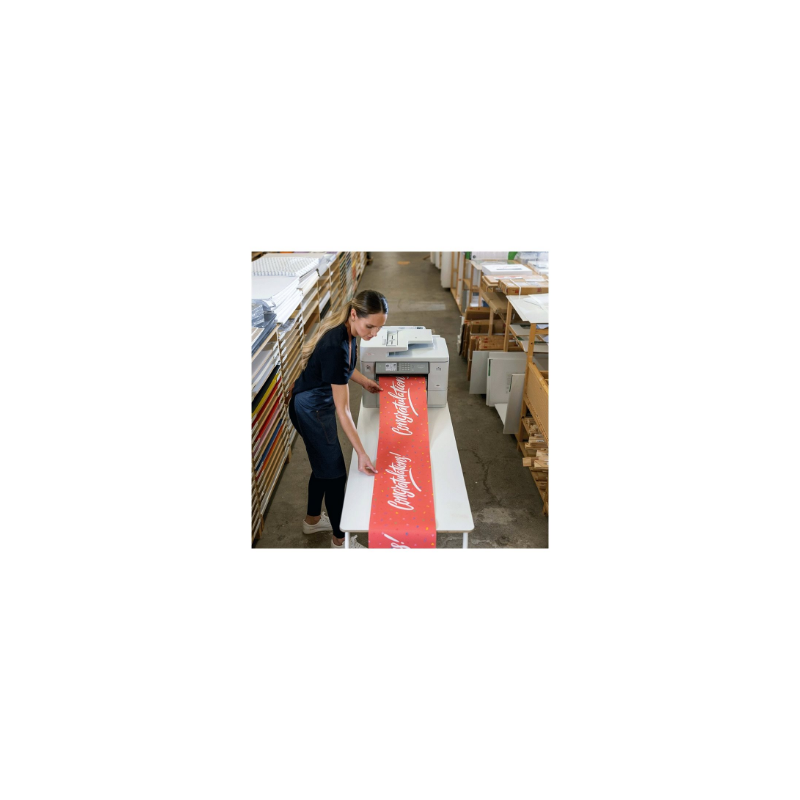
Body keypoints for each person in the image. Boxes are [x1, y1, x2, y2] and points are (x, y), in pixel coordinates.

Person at [288, 289, 389, 548]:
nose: (374, 333)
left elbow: (343, 368)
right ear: (354, 315)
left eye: (378, 328)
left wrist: (364, 381)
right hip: (312, 409)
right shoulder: (336, 345)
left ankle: (312, 521)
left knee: (323, 467)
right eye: (370, 326)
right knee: (335, 476)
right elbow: (343, 411)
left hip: (312, 403)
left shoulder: (349, 331)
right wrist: (362, 453)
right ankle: (340, 541)